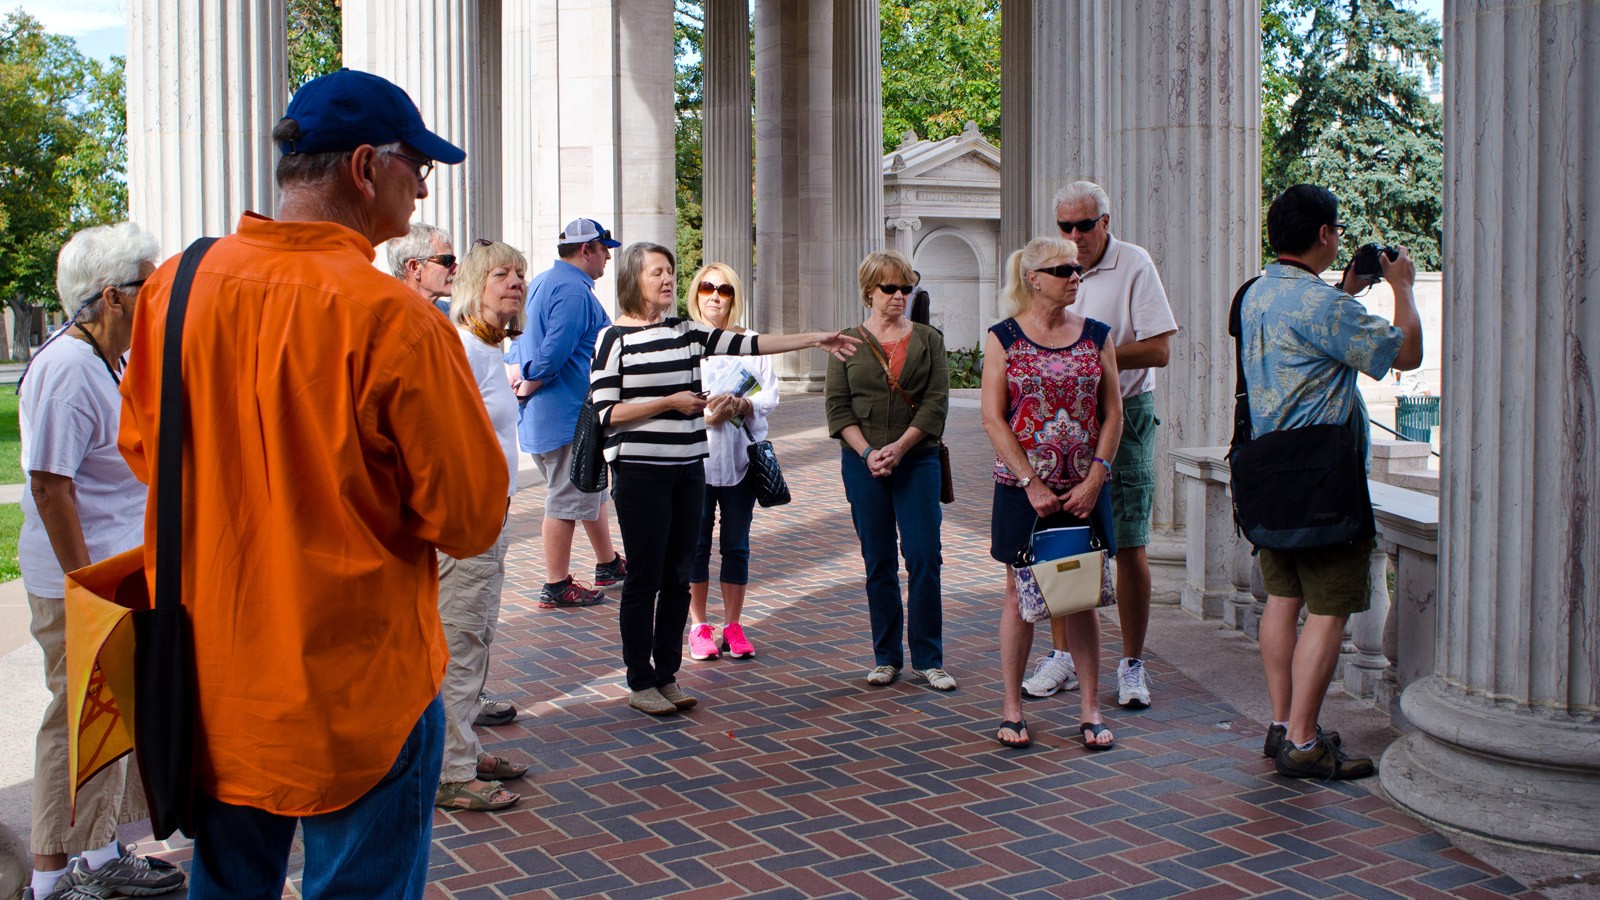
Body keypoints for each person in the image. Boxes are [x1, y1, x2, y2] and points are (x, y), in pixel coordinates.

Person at [117, 68, 507, 898]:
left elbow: (144, 453)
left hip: (211, 677)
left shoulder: (174, 291)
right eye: (417, 165)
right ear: (365, 168)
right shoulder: (394, 319)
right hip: (359, 688)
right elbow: (470, 519)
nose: (424, 183)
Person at [592, 242, 858, 716]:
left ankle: (667, 675)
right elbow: (606, 413)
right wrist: (668, 402)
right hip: (639, 473)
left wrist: (815, 338)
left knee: (677, 574)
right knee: (645, 577)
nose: (669, 279)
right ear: (634, 279)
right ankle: (639, 680)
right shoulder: (614, 339)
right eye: (658, 272)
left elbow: (751, 344)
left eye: (671, 271)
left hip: (688, 469)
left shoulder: (687, 332)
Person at [19, 224, 186, 900]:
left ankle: (97, 855)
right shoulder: (64, 369)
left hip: (116, 573)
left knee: (108, 719)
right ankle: (52, 878)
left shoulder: (106, 359)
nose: (158, 300)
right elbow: (49, 487)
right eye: (149, 288)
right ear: (113, 296)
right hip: (82, 583)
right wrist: (88, 585)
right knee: (74, 720)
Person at [1243, 183, 1420, 779]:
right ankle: (1303, 740)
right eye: (1336, 228)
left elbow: (1300, 341)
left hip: (1268, 474)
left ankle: (1280, 723)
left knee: (1282, 600)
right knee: (1330, 608)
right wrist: (1401, 288)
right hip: (1324, 482)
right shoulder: (1326, 309)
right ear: (1324, 235)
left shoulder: (1254, 294)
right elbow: (1408, 353)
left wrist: (1342, 288)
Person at [1022, 181, 1178, 710]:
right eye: (1064, 226)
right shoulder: (1047, 266)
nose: (1073, 236)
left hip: (1123, 416)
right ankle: (1063, 655)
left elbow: (1159, 349)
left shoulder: (1133, 264)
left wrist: (1092, 355)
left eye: (1083, 226)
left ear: (1105, 222)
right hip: (1059, 421)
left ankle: (1132, 662)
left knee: (1130, 542)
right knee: (1064, 538)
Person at [981, 235, 1123, 751]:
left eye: (1077, 269)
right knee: (1020, 595)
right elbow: (993, 419)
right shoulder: (1004, 338)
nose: (1074, 276)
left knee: (1080, 597)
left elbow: (1114, 414)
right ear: (1033, 279)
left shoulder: (1097, 336)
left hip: (1085, 487)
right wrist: (1030, 482)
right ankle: (1012, 709)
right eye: (1062, 270)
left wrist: (1096, 477)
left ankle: (1090, 708)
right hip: (1023, 488)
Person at [432, 241, 536, 813]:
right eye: (501, 274)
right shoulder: (465, 347)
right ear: (475, 282)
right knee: (463, 637)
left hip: (487, 517)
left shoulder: (487, 347)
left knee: (476, 635)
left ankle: (464, 749)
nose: (515, 283)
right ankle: (452, 770)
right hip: (466, 523)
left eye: (520, 274)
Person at [824, 250, 955, 692]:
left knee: (923, 555)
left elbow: (937, 403)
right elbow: (838, 410)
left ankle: (929, 658)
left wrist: (899, 447)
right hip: (864, 466)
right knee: (877, 560)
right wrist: (867, 454)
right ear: (869, 292)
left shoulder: (928, 340)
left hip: (917, 460)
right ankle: (886, 657)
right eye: (890, 289)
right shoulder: (847, 341)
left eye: (905, 288)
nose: (899, 296)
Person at [507, 218, 627, 609]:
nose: (608, 256)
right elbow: (553, 352)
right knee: (565, 498)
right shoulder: (573, 290)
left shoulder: (545, 281)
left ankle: (608, 563)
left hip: (549, 415)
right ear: (586, 250)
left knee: (587, 488)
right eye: (603, 248)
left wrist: (519, 375)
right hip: (566, 417)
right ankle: (556, 585)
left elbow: (522, 338)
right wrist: (530, 378)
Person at [685, 263, 778, 661]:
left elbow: (771, 395)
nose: (715, 297)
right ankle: (699, 626)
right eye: (707, 288)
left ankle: (734, 626)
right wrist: (707, 416)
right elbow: (670, 399)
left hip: (741, 462)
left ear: (734, 296)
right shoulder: (684, 343)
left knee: (737, 545)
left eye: (723, 290)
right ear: (696, 294)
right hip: (696, 462)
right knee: (696, 546)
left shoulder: (752, 342)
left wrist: (742, 403)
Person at [385, 221, 456, 314]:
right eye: (447, 260)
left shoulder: (449, 314)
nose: (456, 269)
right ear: (414, 267)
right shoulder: (388, 317)